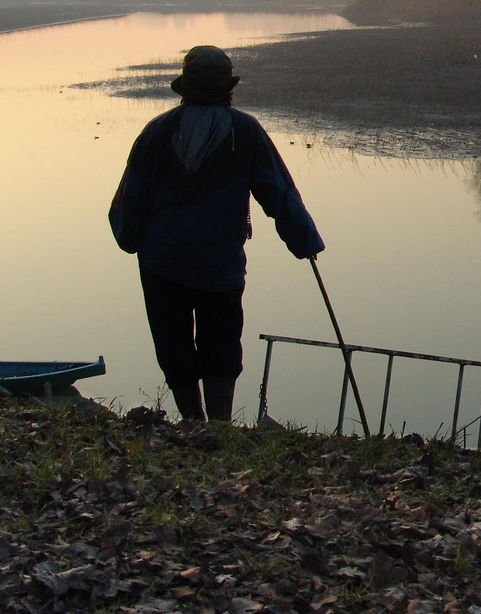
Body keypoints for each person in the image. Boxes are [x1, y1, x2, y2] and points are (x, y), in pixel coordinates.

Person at [109, 45, 324, 422]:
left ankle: (192, 421)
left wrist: (130, 239)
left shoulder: (156, 132)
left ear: (184, 88)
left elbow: (129, 199)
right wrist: (304, 241)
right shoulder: (244, 131)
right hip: (220, 264)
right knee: (221, 341)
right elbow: (278, 190)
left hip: (162, 263)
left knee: (173, 343)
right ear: (228, 89)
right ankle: (219, 425)